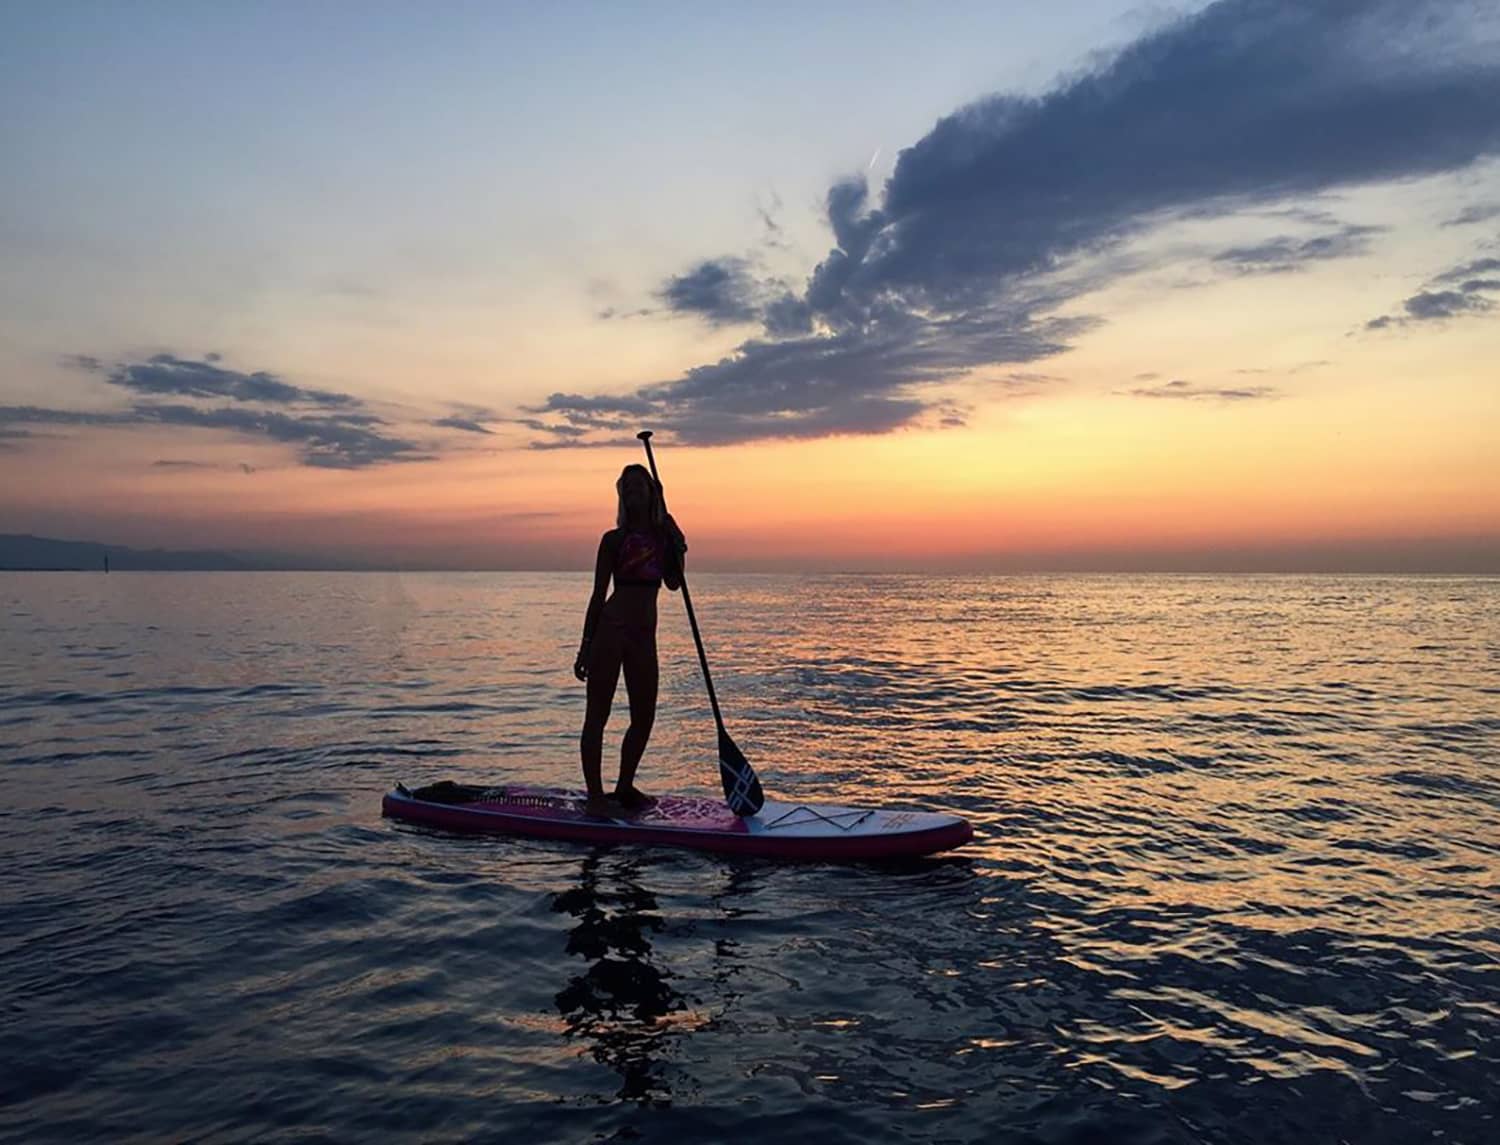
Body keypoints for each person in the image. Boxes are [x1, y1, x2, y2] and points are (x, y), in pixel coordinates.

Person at [574, 464, 686, 817]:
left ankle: (623, 787)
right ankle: (595, 794)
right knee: (598, 714)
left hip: (643, 636)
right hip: (611, 629)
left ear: (652, 493)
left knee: (645, 715)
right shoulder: (613, 540)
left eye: (641, 484)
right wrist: (585, 644)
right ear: (621, 495)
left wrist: (677, 541)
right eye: (628, 486)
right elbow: (597, 594)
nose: (634, 490)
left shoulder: (661, 538)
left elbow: (673, 582)